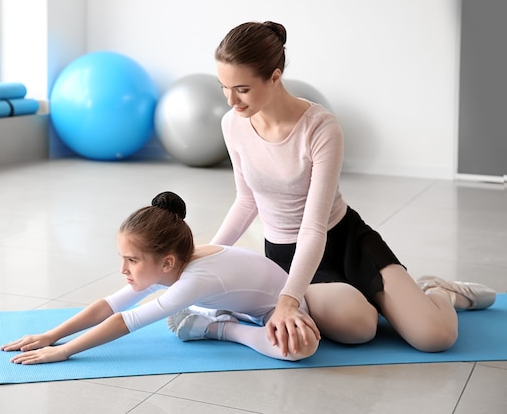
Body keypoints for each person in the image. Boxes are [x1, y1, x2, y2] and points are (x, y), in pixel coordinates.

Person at [187, 20, 496, 358]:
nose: (231, 100)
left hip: (345, 238)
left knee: (435, 337)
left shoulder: (320, 128)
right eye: (223, 87)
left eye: (242, 89)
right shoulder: (233, 124)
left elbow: (315, 225)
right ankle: (374, 299)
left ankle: (436, 290)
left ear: (275, 76)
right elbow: (246, 201)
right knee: (360, 327)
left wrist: (289, 302)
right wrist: (206, 257)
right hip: (290, 255)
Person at [1, 191, 320, 364]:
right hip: (240, 302)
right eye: (123, 258)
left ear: (166, 262)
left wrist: (65, 351)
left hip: (278, 308)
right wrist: (51, 335)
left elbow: (125, 321)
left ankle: (218, 328)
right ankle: (211, 317)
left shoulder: (193, 280)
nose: (123, 270)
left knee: (297, 350)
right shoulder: (173, 264)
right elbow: (109, 307)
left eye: (131, 260)